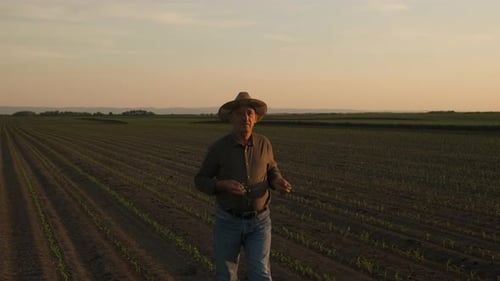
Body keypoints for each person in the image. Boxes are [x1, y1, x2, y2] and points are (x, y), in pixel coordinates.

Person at [194, 91, 292, 281]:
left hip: (260, 222)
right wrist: (222, 185)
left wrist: (277, 181)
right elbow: (200, 180)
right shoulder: (219, 148)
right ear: (231, 117)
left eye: (249, 113)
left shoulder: (264, 143)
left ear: (255, 119)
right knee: (226, 276)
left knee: (261, 274)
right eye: (240, 113)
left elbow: (272, 170)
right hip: (228, 222)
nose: (245, 117)